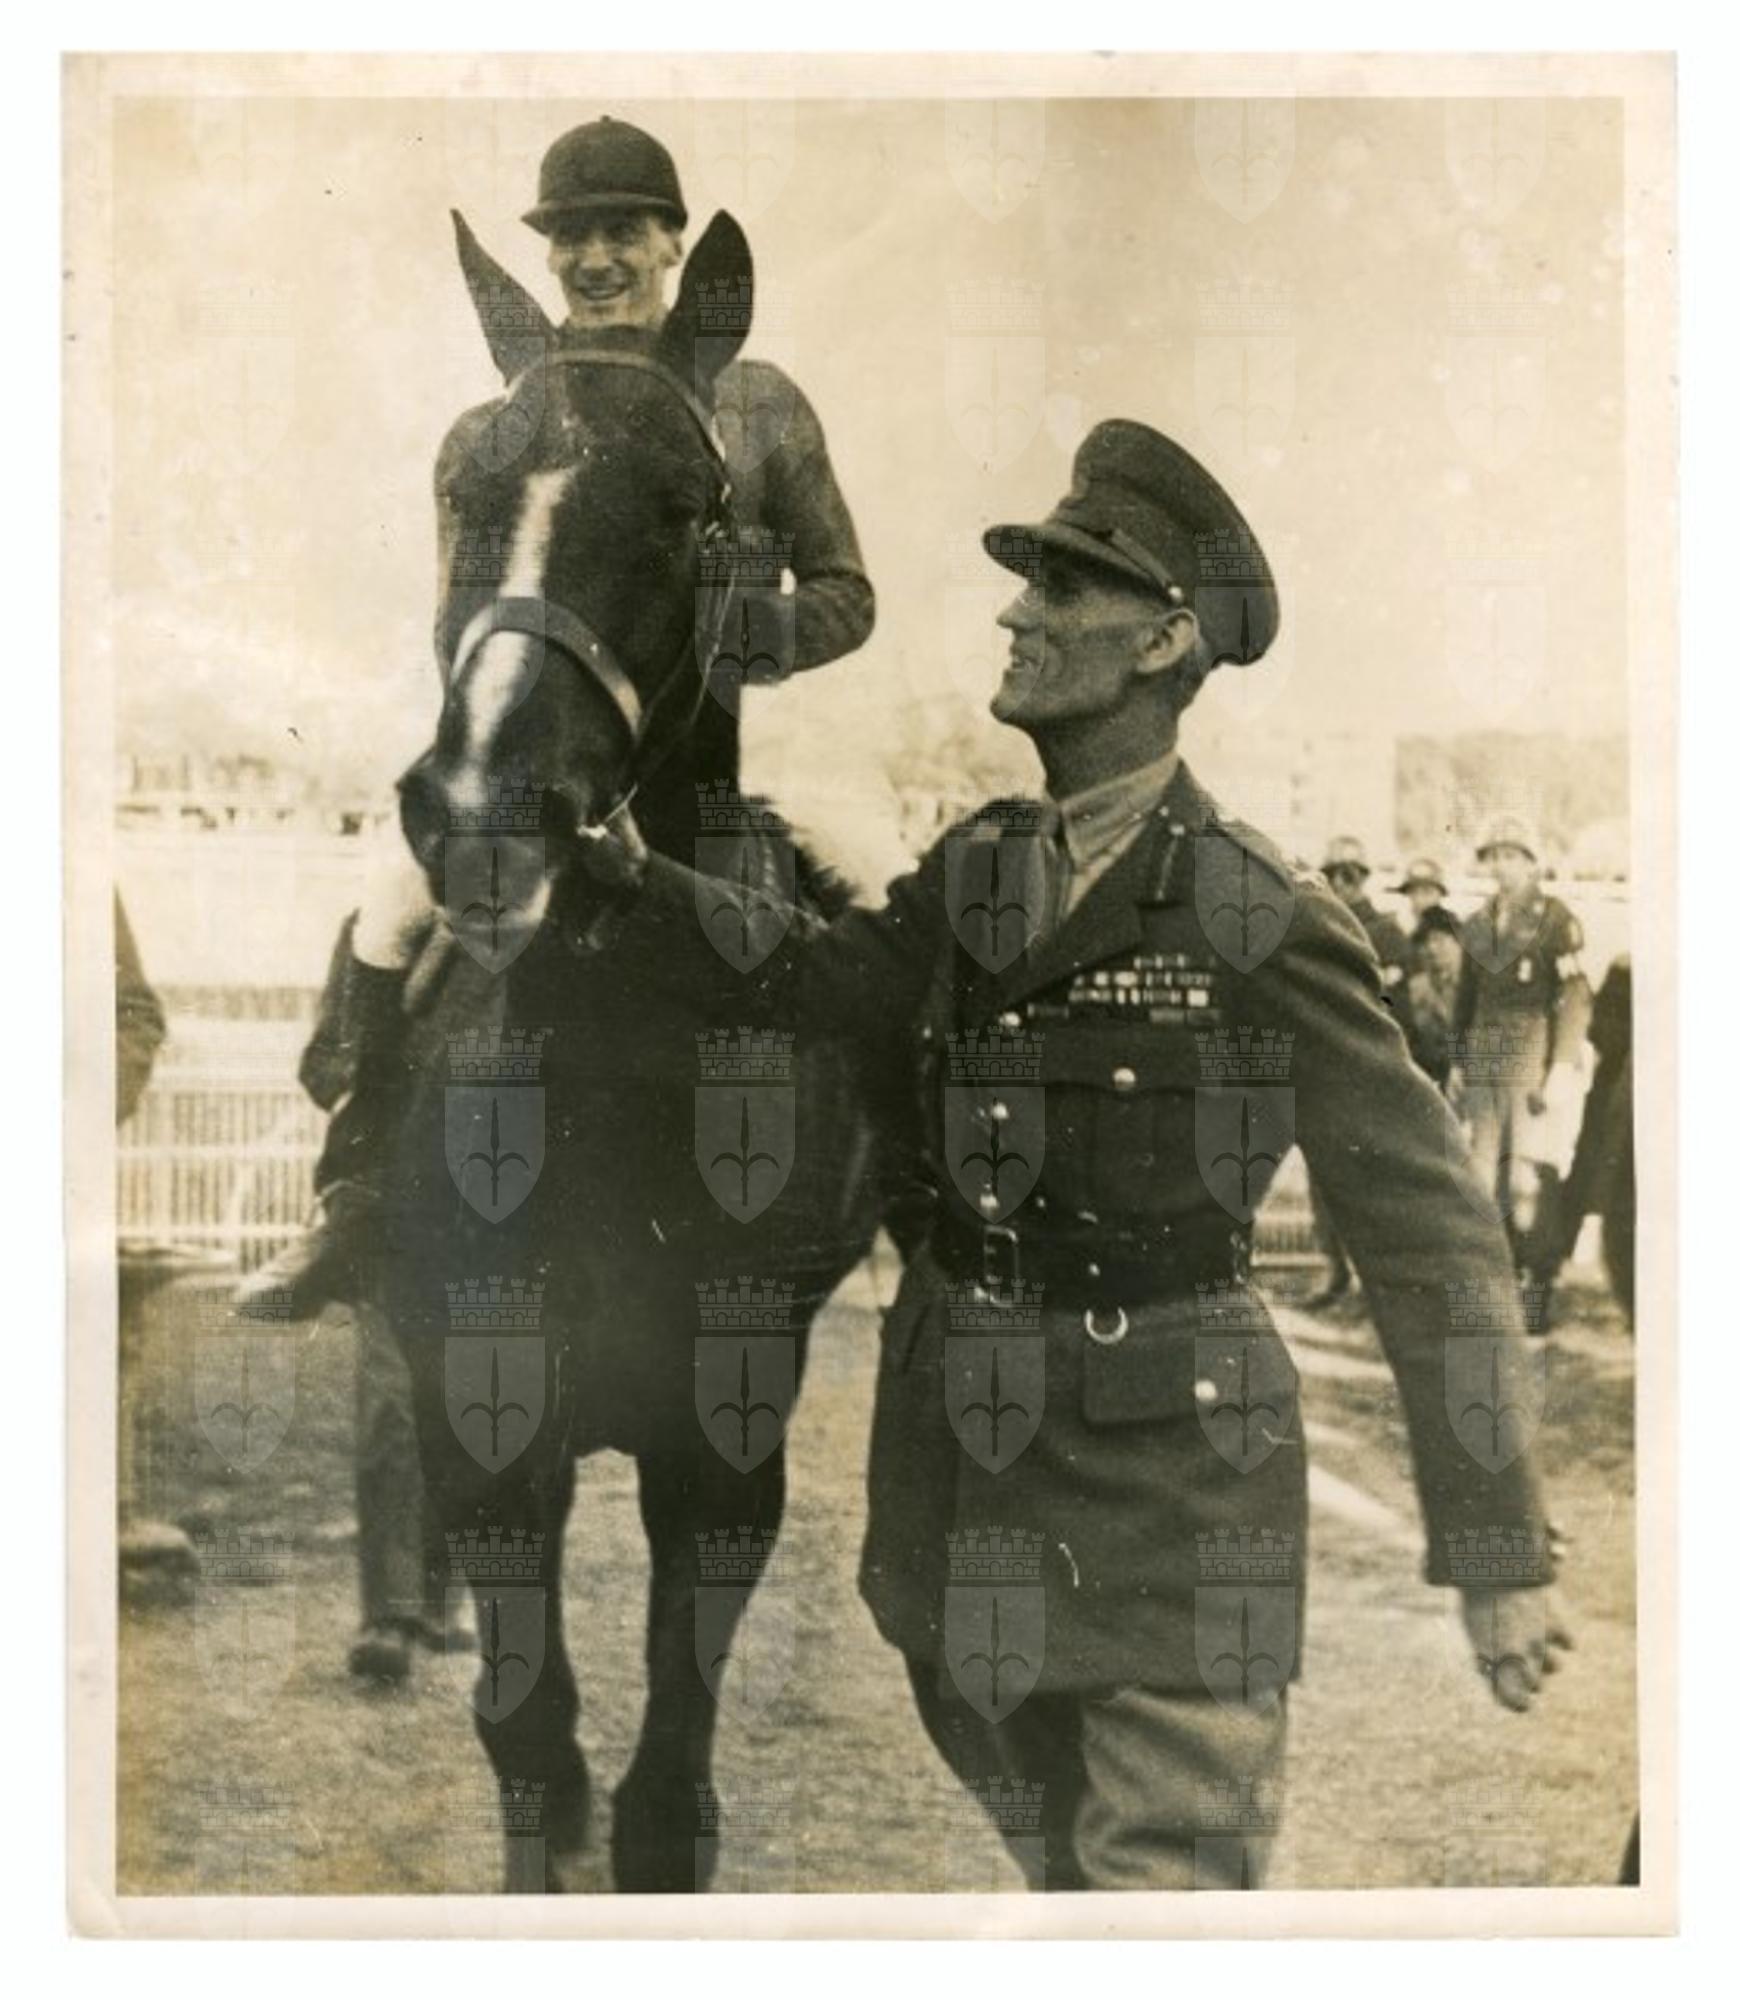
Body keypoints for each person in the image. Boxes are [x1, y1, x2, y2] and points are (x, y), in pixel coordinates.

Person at [575, 420, 1569, 1890]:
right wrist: (627, 877)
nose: (1014, 614)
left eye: (1059, 588)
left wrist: (1496, 1549)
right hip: (960, 1493)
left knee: (1160, 1897)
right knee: (1068, 1889)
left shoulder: (1258, 911)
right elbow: (816, 982)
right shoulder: (982, 865)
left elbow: (1430, 1231)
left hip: (1170, 1501)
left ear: (1164, 641)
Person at [238, 116, 875, 1324]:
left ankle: (938, 1192)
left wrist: (728, 637)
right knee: (389, 900)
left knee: (885, 907)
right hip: (546, 743)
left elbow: (848, 594)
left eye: (622, 230)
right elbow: (458, 618)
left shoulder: (762, 405)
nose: (595, 259)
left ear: (674, 243)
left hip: (726, 747)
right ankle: (352, 1190)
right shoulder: (495, 428)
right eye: (570, 236)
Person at [1447, 816, 1592, 1306]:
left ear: (1532, 863)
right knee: (1483, 1174)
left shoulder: (1555, 919)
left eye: (1512, 856)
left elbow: (1575, 995)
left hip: (1531, 1059)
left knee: (1526, 1176)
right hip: (1484, 1061)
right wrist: (1457, 1062)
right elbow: (1465, 1001)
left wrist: (1563, 1064)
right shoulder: (1476, 924)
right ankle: (1498, 1281)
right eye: (1494, 856)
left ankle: (1537, 1283)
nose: (1501, 866)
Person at [1306, 836, 1410, 1307]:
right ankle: (1335, 1270)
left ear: (1364, 879)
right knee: (1324, 1173)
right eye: (1335, 875)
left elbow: (1399, 1005)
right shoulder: (1314, 927)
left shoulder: (1386, 932)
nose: (1343, 884)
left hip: (1370, 1066)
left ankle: (1380, 1279)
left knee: (1373, 1173)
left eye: (1352, 875)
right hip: (1323, 1065)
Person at [1400, 903, 1464, 1093]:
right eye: (1425, 942)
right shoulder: (1415, 989)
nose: (1432, 948)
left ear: (1459, 943)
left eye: (1439, 940)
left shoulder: (1477, 987)